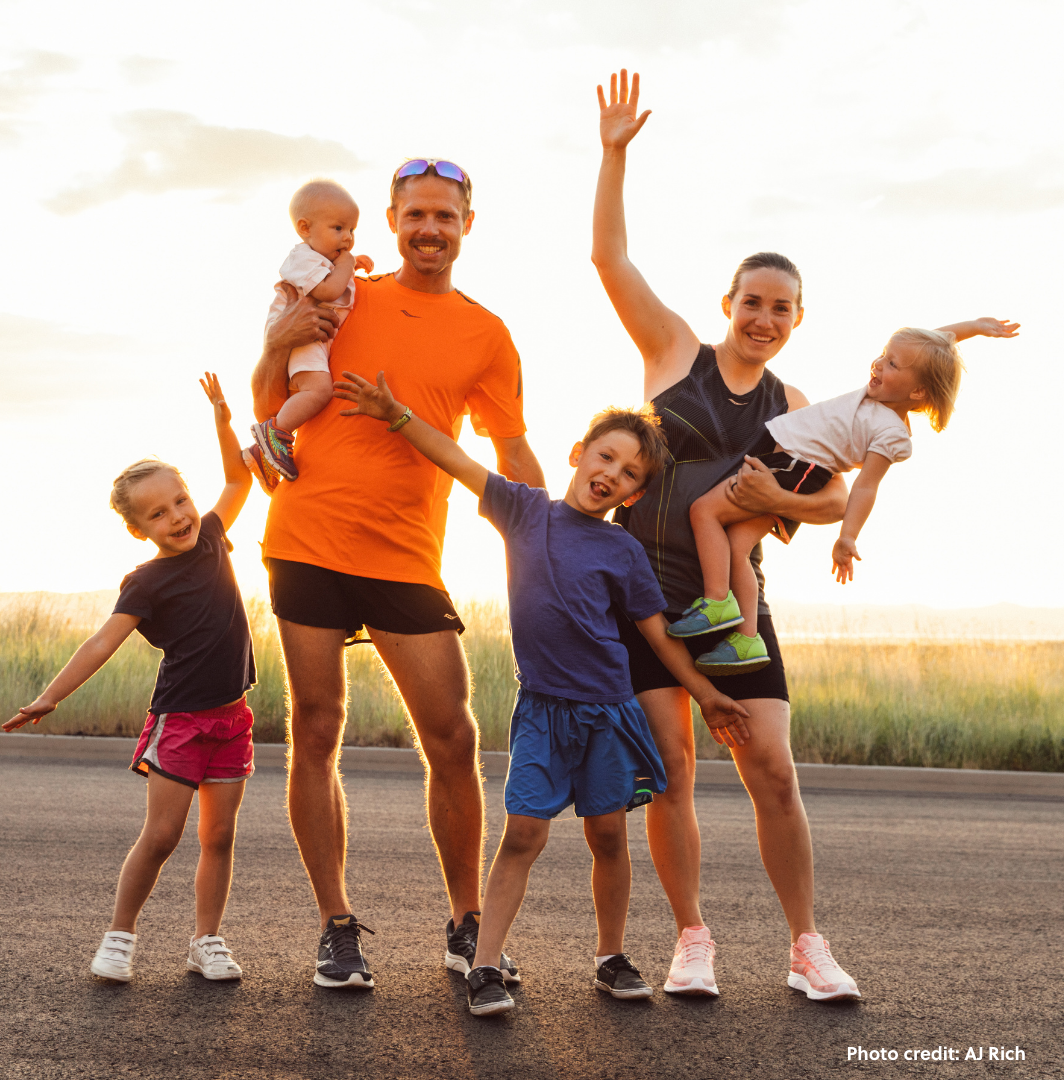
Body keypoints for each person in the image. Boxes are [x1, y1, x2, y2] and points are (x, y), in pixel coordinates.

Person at [592, 70, 1020, 1002]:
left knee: (773, 769)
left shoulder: (799, 408)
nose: (764, 317)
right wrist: (614, 155)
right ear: (728, 303)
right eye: (752, 300)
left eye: (782, 307)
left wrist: (777, 503)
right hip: (644, 593)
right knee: (673, 772)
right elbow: (609, 261)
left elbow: (828, 504)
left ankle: (806, 948)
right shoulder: (672, 352)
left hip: (736, 605)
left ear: (797, 320)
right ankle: (692, 939)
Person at [335, 368, 752, 1015]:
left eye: (629, 472)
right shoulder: (525, 512)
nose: (612, 473)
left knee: (608, 838)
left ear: (636, 494)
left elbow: (658, 637)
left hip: (610, 713)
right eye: (605, 456)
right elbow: (457, 459)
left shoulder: (622, 551)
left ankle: (610, 957)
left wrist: (703, 692)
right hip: (544, 713)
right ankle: (483, 966)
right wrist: (396, 413)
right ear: (578, 456)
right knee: (524, 834)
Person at [250, 159, 547, 990]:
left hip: (408, 555)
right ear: (391, 219)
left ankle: (466, 925)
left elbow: (511, 446)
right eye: (415, 214)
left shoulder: (486, 332)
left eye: (444, 217)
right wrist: (276, 345)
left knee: (453, 736)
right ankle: (336, 926)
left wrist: (548, 533)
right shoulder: (345, 295)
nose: (429, 229)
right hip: (306, 536)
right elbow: (269, 387)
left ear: (465, 226)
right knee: (315, 725)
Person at [4, 375, 255, 985]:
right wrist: (50, 696)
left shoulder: (214, 540)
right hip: (182, 721)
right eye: (157, 513)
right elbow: (102, 642)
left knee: (218, 837)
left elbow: (239, 478)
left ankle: (206, 941)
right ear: (137, 528)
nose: (177, 516)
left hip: (233, 718)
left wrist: (223, 419)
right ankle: (120, 936)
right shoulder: (144, 583)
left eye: (179, 501)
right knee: (164, 834)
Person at [669, 321, 1015, 674]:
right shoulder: (876, 394)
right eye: (883, 355)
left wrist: (847, 536)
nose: (879, 364)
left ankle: (716, 600)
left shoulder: (891, 432)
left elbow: (866, 485)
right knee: (736, 547)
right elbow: (932, 343)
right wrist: (974, 327)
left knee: (704, 511)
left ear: (918, 392)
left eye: (893, 364)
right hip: (789, 464)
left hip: (797, 468)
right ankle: (746, 640)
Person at [246, 179, 374, 490]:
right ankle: (273, 435)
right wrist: (347, 264)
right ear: (305, 228)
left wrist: (348, 265)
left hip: (312, 336)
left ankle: (262, 452)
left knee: (313, 390)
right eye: (339, 228)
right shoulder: (302, 258)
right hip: (302, 336)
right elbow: (329, 289)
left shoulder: (321, 261)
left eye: (352, 231)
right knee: (319, 390)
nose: (348, 239)